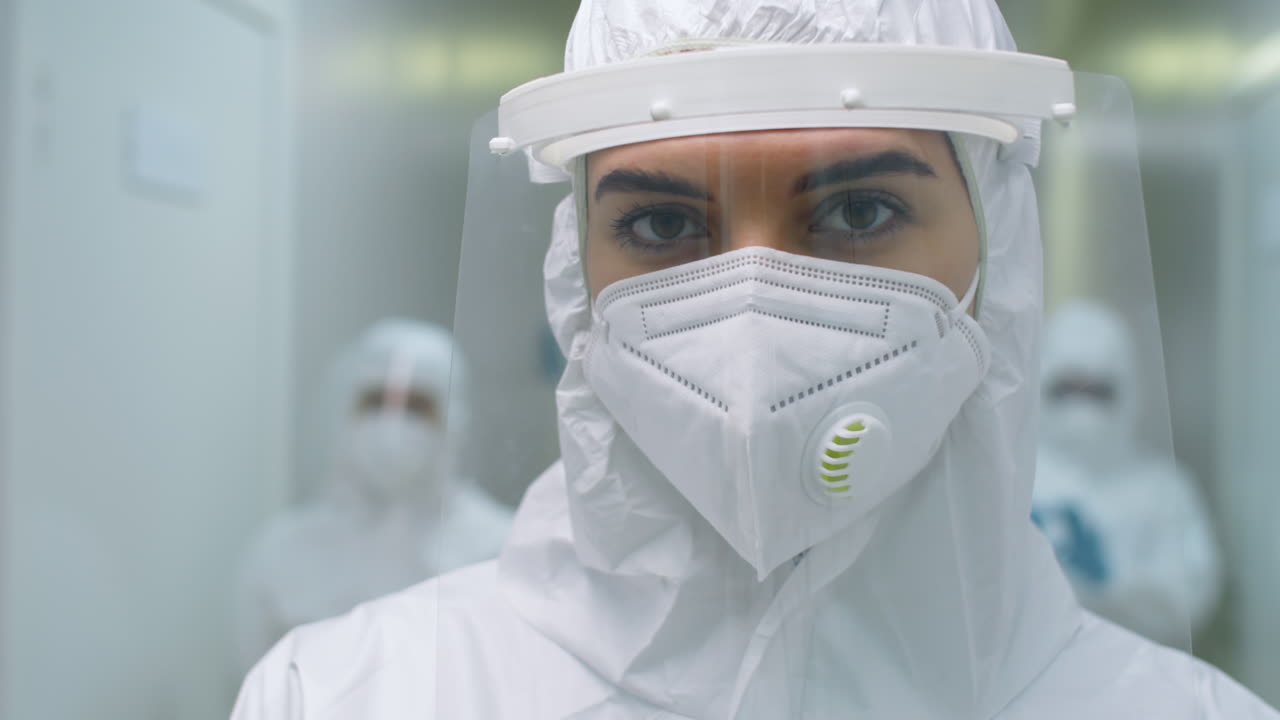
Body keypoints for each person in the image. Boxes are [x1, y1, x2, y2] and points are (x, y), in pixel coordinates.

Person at [233, 1, 1279, 717]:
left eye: (858, 211)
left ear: (996, 249)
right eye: (660, 224)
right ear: (574, 276)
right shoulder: (349, 696)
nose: (750, 322)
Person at [232, 318, 512, 675]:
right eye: (376, 401)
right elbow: (253, 682)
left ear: (453, 419)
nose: (392, 424)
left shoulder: (498, 548)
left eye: (416, 405)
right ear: (345, 410)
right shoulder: (281, 551)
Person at [1032, 299, 1222, 647]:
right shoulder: (1015, 480)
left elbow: (1191, 596)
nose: (1082, 408)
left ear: (1128, 388)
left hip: (1138, 671)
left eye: (1097, 391)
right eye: (1068, 389)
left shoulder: (1163, 489)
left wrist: (1115, 583)